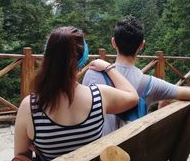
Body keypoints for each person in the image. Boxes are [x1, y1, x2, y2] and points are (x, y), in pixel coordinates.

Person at [14, 26, 139, 160]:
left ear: (48, 57)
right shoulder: (99, 96)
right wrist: (108, 67)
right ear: (83, 59)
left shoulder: (30, 107)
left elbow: (20, 156)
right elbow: (133, 96)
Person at [82, 17, 190, 135]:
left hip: (97, 151)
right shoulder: (150, 84)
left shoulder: (93, 75)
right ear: (141, 45)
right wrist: (167, 96)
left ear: (113, 42)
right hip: (132, 149)